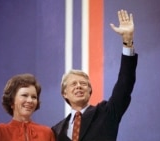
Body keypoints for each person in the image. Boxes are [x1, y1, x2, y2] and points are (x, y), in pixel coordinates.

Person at [51, 9, 138, 141]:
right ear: (64, 93)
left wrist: (128, 41)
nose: (79, 86)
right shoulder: (55, 131)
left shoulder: (106, 113)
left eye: (83, 83)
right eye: (73, 84)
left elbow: (124, 84)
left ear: (90, 90)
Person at [0, 55, 55, 141]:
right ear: (11, 101)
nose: (30, 100)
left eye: (34, 97)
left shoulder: (46, 133)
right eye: (24, 95)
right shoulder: (0, 133)